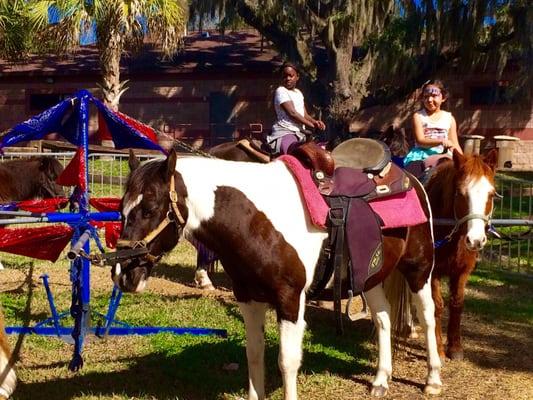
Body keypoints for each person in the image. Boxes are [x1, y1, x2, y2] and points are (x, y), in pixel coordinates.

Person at [266, 62, 326, 155]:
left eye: (291, 76)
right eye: (284, 76)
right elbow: (292, 113)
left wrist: (315, 122)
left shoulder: (298, 93)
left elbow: (304, 115)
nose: (288, 78)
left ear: (297, 77)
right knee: (292, 155)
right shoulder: (281, 91)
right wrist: (311, 125)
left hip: (300, 132)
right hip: (285, 131)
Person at [403, 79, 463, 167]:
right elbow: (420, 141)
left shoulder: (449, 118)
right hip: (421, 156)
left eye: (434, 96)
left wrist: (463, 160)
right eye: (426, 96)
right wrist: (441, 141)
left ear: (443, 98)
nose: (430, 100)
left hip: (444, 156)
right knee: (413, 175)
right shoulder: (418, 116)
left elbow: (455, 143)